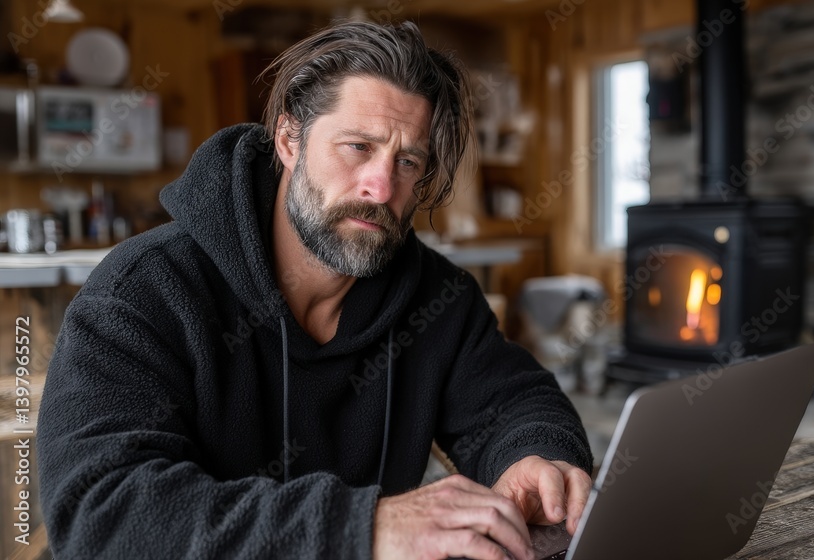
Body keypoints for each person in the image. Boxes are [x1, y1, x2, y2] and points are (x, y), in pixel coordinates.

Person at [36, 20, 593, 560]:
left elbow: (514, 404)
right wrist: (362, 529)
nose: (380, 187)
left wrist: (534, 456)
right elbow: (102, 516)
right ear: (288, 139)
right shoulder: (146, 293)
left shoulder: (438, 298)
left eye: (407, 161)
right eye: (356, 147)